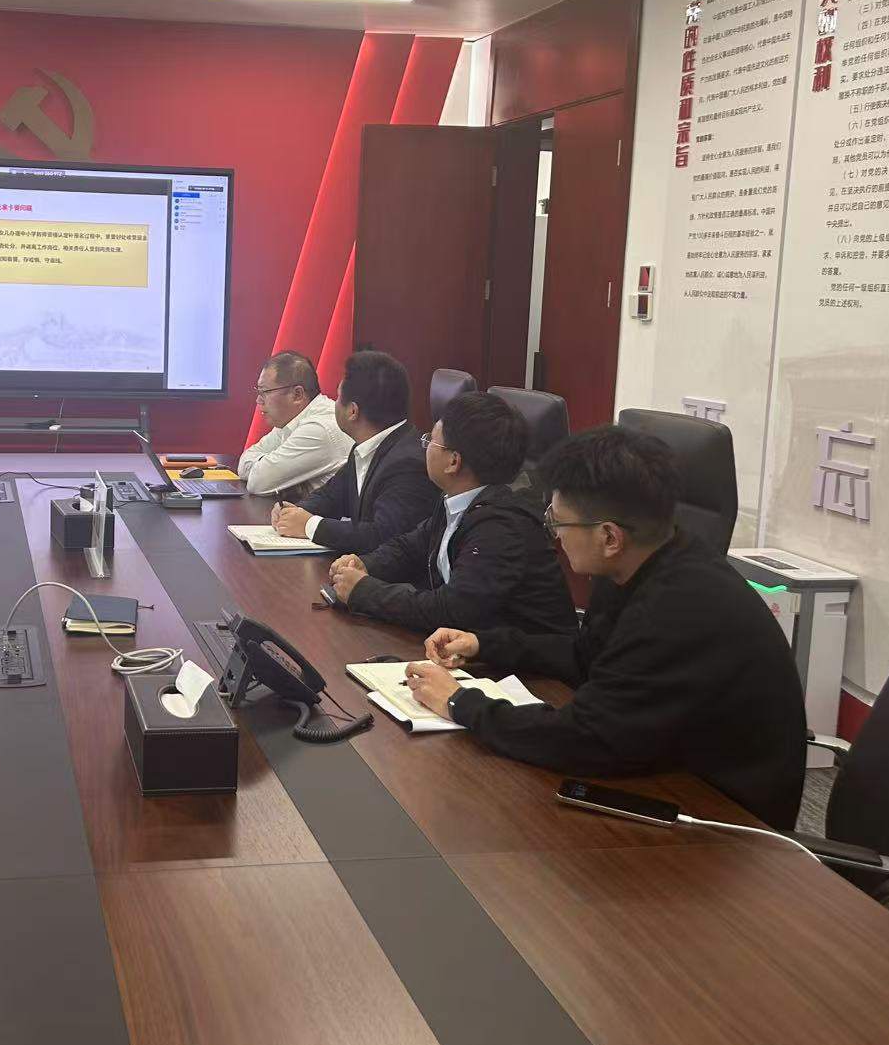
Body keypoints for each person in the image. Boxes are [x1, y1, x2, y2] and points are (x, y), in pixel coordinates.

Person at [403, 425, 807, 832]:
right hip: (665, 766)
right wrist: (484, 644)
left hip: (724, 822)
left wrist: (460, 702)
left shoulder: (676, 608)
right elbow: (587, 656)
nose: (555, 536)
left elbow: (583, 739)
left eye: (558, 523)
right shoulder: (640, 561)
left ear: (609, 536)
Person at [327, 391, 574, 635]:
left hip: (520, 660)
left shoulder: (501, 527)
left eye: (430, 441)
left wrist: (364, 591)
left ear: (453, 462)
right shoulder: (458, 499)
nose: (423, 447)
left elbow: (450, 610)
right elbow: (410, 547)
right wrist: (365, 564)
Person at [270, 350, 439, 552]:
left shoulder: (408, 464)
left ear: (352, 411)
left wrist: (309, 525)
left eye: (338, 397)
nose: (334, 403)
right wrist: (295, 511)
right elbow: (331, 496)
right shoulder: (365, 446)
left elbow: (382, 535)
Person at [236, 350, 351, 498]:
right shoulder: (291, 420)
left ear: (297, 394)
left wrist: (263, 468)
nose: (258, 400)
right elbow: (244, 462)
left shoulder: (318, 428)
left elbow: (258, 482)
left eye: (265, 392)